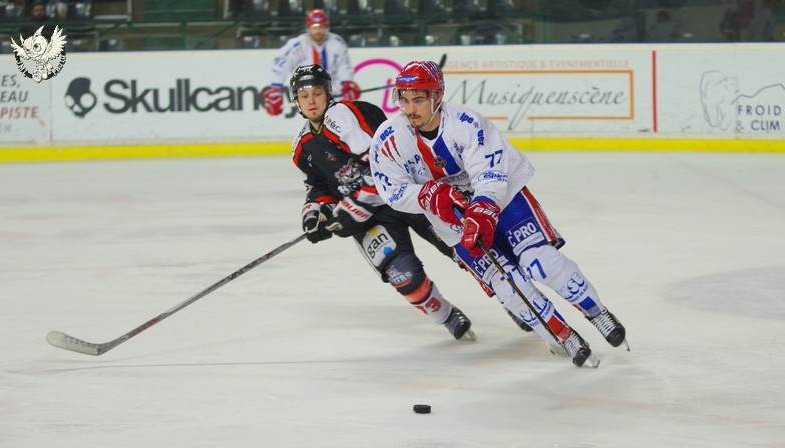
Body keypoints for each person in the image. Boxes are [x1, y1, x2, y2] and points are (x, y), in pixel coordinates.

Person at [369, 61, 628, 368]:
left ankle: (597, 312)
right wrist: (427, 194)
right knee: (507, 284)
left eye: (419, 99)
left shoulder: (466, 123)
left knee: (541, 262)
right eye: (404, 99)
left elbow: (489, 171)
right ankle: (562, 335)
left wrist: (483, 207)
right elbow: (392, 191)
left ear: (437, 96)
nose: (410, 108)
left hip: (503, 201)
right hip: (452, 222)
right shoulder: (388, 139)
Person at [288, 64, 517, 342]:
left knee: (462, 248)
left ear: (328, 93)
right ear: (296, 101)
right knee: (401, 273)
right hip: (371, 217)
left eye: (317, 93)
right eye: (304, 95)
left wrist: (348, 212)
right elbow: (318, 187)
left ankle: (512, 300)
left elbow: (379, 170)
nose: (311, 101)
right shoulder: (301, 146)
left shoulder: (343, 116)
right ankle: (445, 314)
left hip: (409, 191)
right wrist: (315, 213)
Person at [263, 9, 361, 117]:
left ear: (326, 27)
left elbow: (343, 66)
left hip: (333, 94)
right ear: (308, 28)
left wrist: (347, 83)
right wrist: (275, 89)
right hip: (308, 96)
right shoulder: (296, 46)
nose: (318, 31)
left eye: (321, 27)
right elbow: (281, 65)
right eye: (314, 27)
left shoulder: (337, 43)